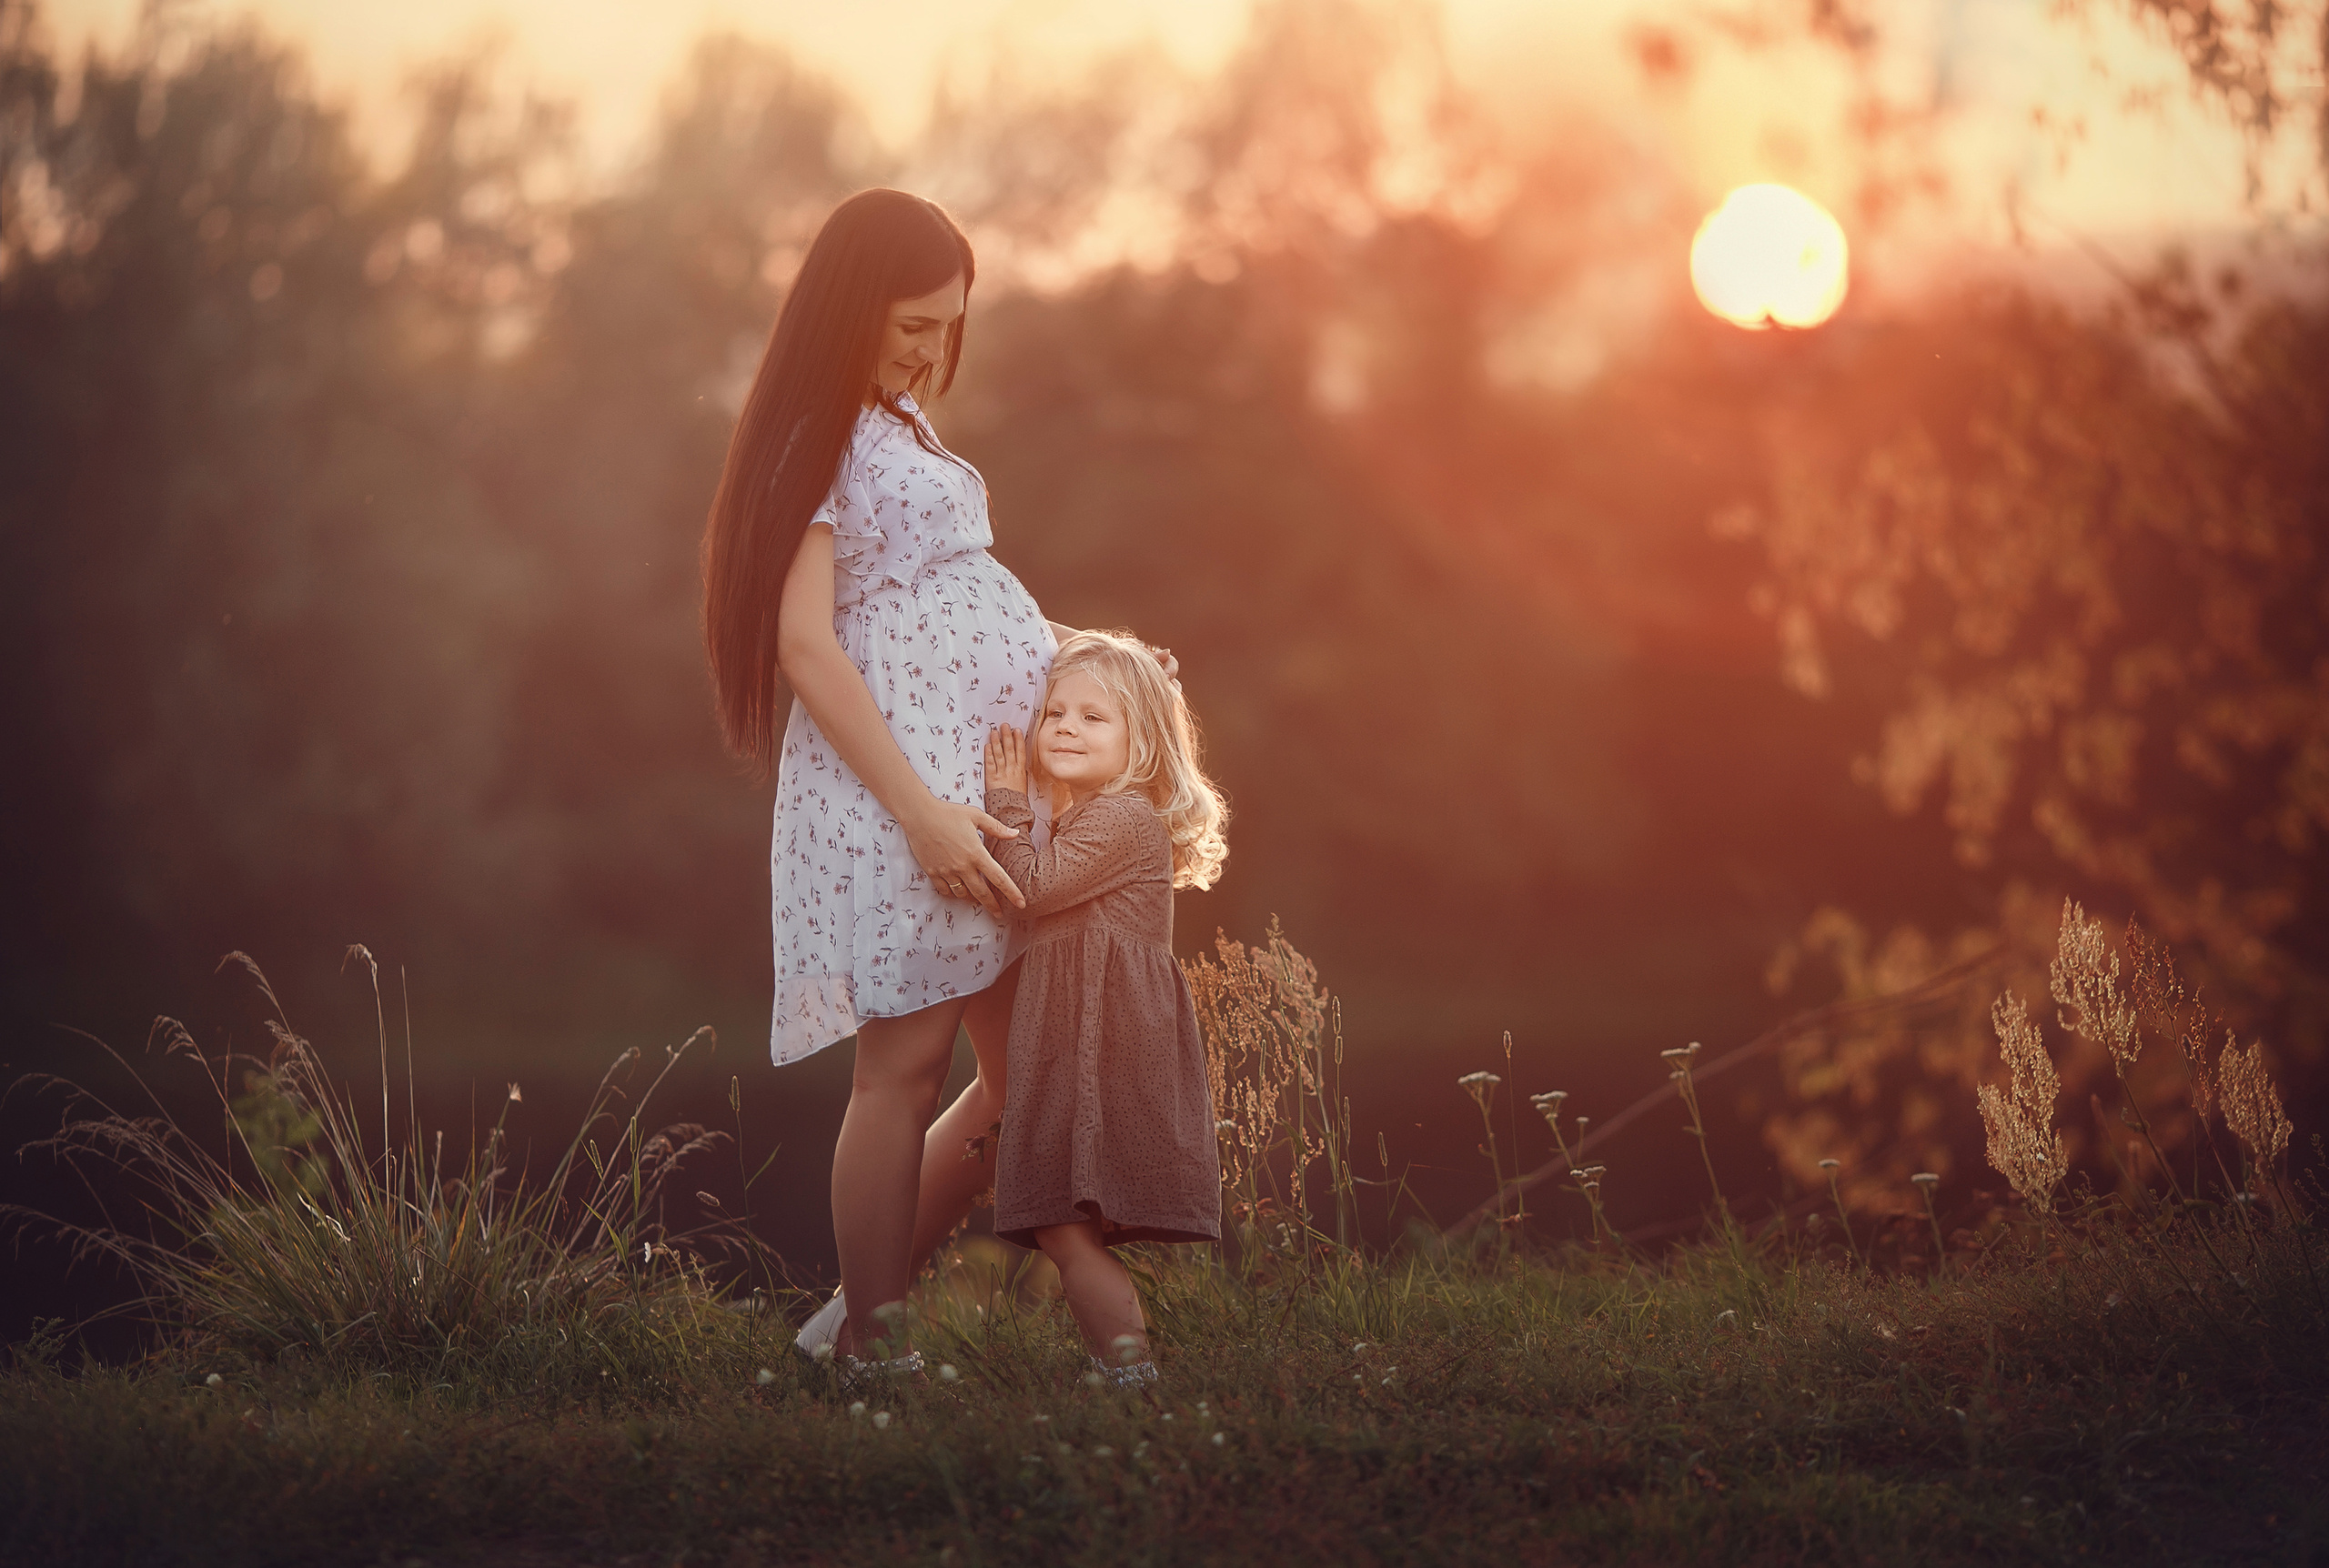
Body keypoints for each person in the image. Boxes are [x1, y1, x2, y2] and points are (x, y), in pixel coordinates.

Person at [703, 189, 1124, 1373]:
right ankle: (877, 1355)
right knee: (903, 1070)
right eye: (910, 325)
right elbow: (806, 645)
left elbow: (951, 603)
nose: (932, 349)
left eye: (948, 325)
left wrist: (1094, 677)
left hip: (982, 791)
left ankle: (845, 1323)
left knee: (1026, 1076)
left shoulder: (894, 424)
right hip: (903, 792)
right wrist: (923, 814)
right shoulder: (815, 435)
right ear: (847, 310)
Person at [981, 630, 1229, 1386]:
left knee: (1061, 1219)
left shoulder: (1122, 818)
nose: (1064, 728)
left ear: (1142, 742)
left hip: (1103, 1043)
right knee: (1062, 1221)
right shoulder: (1099, 811)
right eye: (1055, 712)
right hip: (1083, 1035)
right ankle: (1123, 1373)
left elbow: (1031, 883)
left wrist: (1005, 802)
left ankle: (1128, 1377)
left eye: (1095, 718)